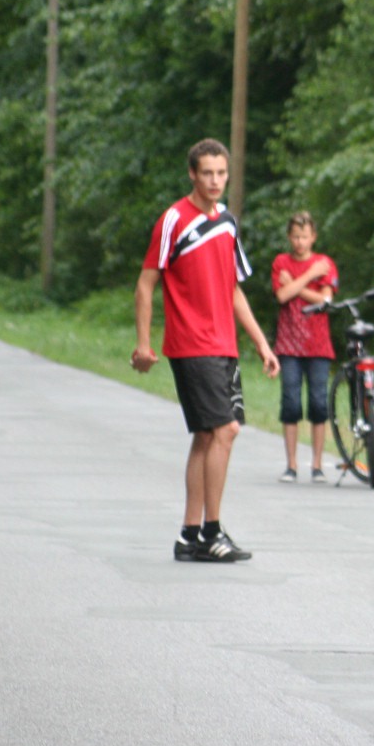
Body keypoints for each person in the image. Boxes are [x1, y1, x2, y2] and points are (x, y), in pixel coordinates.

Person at [131, 138, 280, 562]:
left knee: (205, 436)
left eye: (221, 173)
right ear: (192, 175)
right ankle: (213, 531)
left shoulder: (227, 223)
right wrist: (143, 344)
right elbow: (145, 284)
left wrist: (261, 343)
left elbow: (232, 289)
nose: (215, 181)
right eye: (207, 173)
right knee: (225, 430)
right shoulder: (174, 220)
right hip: (191, 343)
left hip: (223, 343)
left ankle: (189, 536)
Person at [271, 211, 338, 483]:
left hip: (318, 345)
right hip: (289, 345)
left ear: (313, 237)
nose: (300, 242)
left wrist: (296, 285)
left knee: (319, 404)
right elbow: (281, 295)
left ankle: (317, 465)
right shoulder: (281, 262)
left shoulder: (325, 263)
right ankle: (291, 464)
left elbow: (325, 301)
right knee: (290, 402)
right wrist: (310, 277)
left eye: (305, 236)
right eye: (296, 236)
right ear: (290, 237)